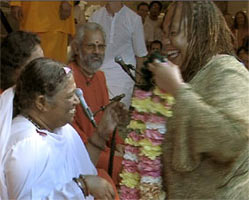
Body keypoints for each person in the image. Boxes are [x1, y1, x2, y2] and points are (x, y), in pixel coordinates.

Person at [149, 1, 249, 199]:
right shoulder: (184, 75)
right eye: (164, 33)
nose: (165, 41)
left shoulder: (227, 70)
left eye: (173, 33)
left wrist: (179, 91)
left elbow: (234, 139)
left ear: (200, 33)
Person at [0, 57, 125, 199]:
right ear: (41, 102)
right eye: (69, 96)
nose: (77, 101)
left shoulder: (62, 128)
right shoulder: (25, 145)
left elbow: (80, 168)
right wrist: (82, 186)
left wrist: (102, 133)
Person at [68, 22, 127, 185]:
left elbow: (105, 118)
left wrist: (118, 144)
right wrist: (106, 149)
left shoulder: (100, 76)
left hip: (101, 144)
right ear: (77, 49)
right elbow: (71, 133)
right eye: (91, 46)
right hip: (83, 150)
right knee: (123, 166)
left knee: (133, 155)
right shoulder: (66, 78)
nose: (97, 52)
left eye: (101, 47)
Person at [89, 1, 147, 108]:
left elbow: (140, 55)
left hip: (123, 78)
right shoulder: (95, 17)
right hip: (96, 75)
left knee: (117, 117)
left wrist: (138, 86)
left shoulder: (134, 19)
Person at [10, 1, 75, 63]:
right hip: (30, 15)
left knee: (53, 65)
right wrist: (16, 2)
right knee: (27, 61)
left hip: (56, 17)